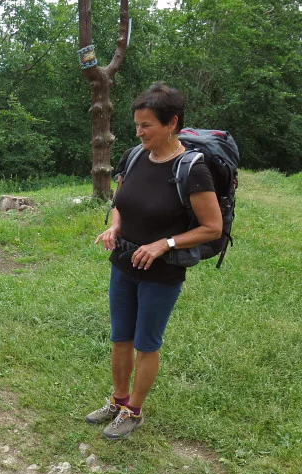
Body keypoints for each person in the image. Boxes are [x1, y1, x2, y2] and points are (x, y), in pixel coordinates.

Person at [88, 82, 222, 439]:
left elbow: (212, 227)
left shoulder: (192, 170)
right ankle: (118, 401)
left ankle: (133, 412)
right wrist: (115, 226)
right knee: (120, 337)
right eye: (137, 124)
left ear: (171, 123)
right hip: (123, 263)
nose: (139, 132)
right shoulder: (134, 156)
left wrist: (166, 243)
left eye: (146, 125)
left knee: (146, 342)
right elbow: (120, 201)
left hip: (161, 273)